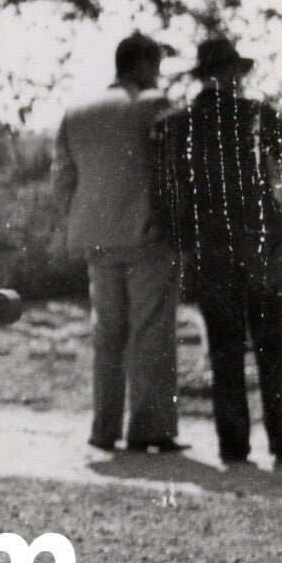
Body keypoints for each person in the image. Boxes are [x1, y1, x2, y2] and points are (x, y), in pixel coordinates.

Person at [153, 36, 282, 466]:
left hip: (209, 248)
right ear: (230, 74)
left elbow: (163, 192)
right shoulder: (259, 115)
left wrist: (182, 240)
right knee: (273, 349)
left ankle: (234, 446)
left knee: (225, 350)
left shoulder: (176, 125)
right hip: (261, 244)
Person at [51, 32, 184, 454]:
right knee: (150, 331)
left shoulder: (78, 111)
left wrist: (82, 220)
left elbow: (62, 179)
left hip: (95, 240)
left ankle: (103, 427)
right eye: (156, 66)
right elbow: (174, 169)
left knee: (106, 334)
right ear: (143, 66)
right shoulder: (152, 104)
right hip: (146, 237)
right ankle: (149, 429)